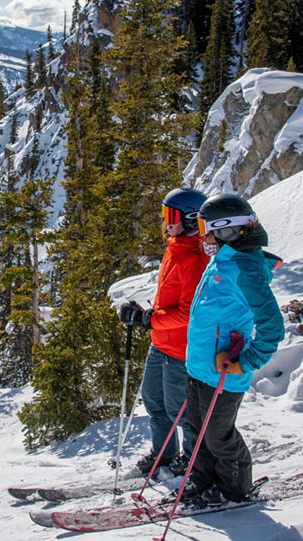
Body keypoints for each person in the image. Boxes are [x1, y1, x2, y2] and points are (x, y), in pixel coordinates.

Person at [182, 193, 285, 507]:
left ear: (228, 230)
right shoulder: (222, 260)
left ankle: (236, 488)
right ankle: (203, 481)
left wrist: (247, 361)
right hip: (199, 367)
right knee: (197, 431)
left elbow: (272, 327)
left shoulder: (245, 269)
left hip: (226, 373)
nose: (204, 237)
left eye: (208, 230)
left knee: (218, 436)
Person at [120, 187, 209, 476]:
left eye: (171, 216)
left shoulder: (195, 259)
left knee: (179, 412)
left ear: (191, 220)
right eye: (164, 215)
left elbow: (188, 313)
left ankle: (196, 463)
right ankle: (164, 455)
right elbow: (167, 300)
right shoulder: (174, 249)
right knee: (154, 402)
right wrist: (144, 315)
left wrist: (148, 319)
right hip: (160, 343)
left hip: (179, 350)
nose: (165, 222)